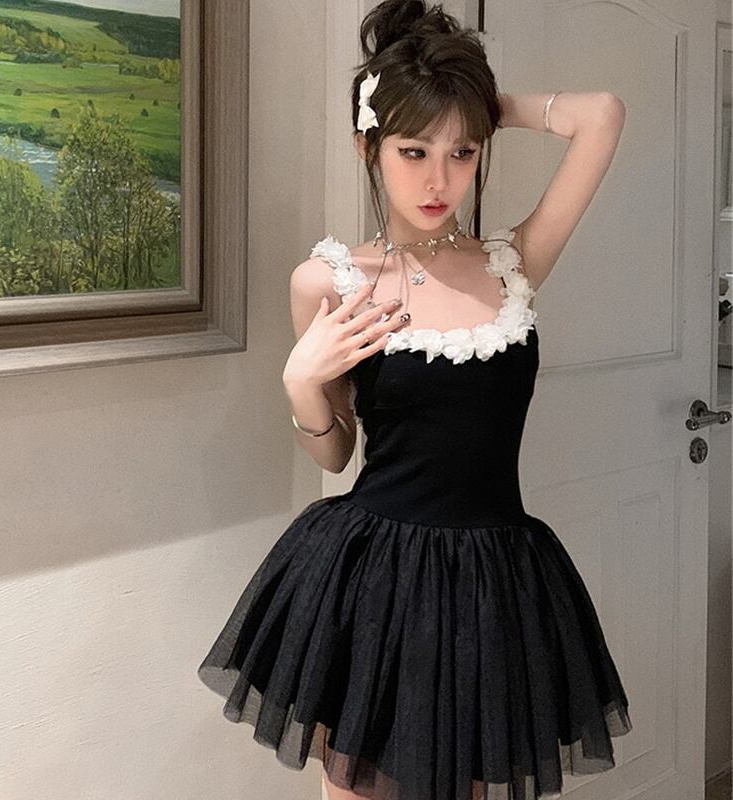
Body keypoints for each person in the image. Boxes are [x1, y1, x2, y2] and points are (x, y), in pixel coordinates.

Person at [197, 2, 632, 798]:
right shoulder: (328, 281)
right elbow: (337, 452)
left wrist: (468, 98)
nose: (439, 179)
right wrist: (301, 383)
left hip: (492, 583)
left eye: (463, 151)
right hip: (375, 580)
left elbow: (601, 114)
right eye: (413, 149)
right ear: (368, 145)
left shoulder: (513, 264)